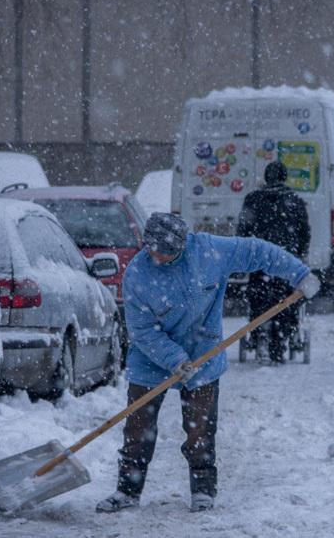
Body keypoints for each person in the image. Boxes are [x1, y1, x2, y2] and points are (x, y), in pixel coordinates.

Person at [97, 213, 320, 514]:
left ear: (181, 245)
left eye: (165, 251)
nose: (157, 256)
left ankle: (202, 490)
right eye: (152, 249)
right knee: (138, 428)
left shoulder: (209, 251)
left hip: (203, 351)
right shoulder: (138, 274)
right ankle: (127, 490)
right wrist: (174, 359)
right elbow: (142, 331)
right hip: (151, 359)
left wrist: (299, 274)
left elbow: (259, 251)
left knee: (200, 429)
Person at [236, 162, 311, 364]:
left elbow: (243, 230)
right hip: (286, 262)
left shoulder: (252, 200)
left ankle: (259, 331)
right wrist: (300, 254)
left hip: (259, 261)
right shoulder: (295, 202)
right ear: (285, 177)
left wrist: (243, 255)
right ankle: (282, 337)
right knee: (285, 300)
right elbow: (304, 232)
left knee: (259, 298)